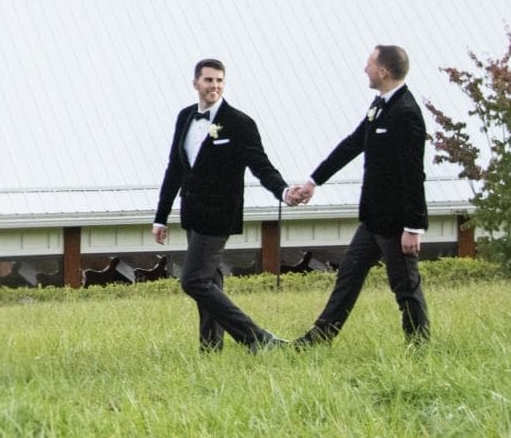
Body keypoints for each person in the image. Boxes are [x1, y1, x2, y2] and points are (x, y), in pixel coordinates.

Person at [286, 45, 431, 345]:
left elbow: (414, 174)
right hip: (372, 218)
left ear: (383, 72)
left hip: (396, 222)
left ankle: (419, 347)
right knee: (348, 276)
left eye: (369, 64)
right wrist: (314, 181)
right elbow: (353, 144)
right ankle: (318, 339)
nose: (365, 69)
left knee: (405, 286)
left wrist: (414, 227)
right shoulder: (380, 105)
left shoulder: (406, 113)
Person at [153, 58, 293, 352]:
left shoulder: (239, 123)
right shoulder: (185, 117)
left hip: (219, 215)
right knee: (210, 281)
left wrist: (282, 191)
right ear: (196, 83)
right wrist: (161, 216)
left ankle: (258, 339)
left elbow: (261, 165)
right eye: (208, 80)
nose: (214, 86)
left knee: (193, 281)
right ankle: (210, 349)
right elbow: (175, 168)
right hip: (192, 213)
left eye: (219, 80)